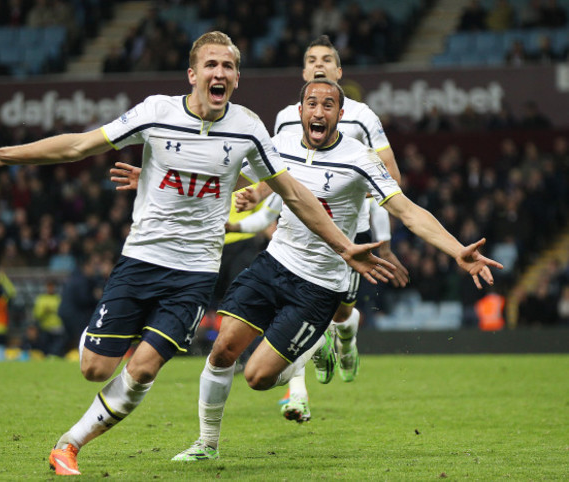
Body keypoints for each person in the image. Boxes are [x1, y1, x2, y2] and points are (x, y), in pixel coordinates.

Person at [0, 31, 395, 476]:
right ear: (193, 74)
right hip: (140, 260)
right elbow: (79, 145)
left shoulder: (248, 128)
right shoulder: (157, 112)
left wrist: (344, 246)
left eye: (228, 66)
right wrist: (5, 156)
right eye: (211, 65)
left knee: (142, 369)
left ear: (236, 77)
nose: (220, 73)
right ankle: (106, 354)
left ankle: (69, 445)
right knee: (94, 368)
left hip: (196, 273)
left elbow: (293, 194)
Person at [171, 79, 502, 461]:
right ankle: (206, 445)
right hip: (273, 263)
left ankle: (314, 346)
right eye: (312, 103)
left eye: (328, 105)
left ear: (340, 115)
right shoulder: (279, 145)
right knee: (222, 350)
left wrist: (457, 249)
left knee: (257, 378)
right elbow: (222, 167)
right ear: (300, 112)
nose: (319, 111)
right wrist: (157, 178)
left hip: (319, 284)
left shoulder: (359, 157)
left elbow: (407, 211)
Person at [272, 35, 409, 422]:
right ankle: (297, 394)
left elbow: (392, 178)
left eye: (327, 59)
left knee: (340, 314)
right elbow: (278, 175)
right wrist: (259, 201)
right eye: (311, 59)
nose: (319, 64)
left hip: (350, 234)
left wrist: (347, 192)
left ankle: (345, 340)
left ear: (339, 71)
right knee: (293, 312)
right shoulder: (286, 118)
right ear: (303, 72)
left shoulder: (363, 117)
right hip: (298, 235)